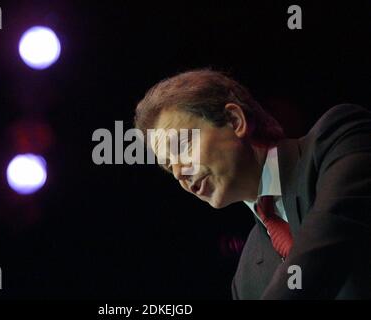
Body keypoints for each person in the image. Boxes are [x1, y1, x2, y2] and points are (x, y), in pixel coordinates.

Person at [134, 69, 371, 299]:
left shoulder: (338, 140)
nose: (178, 173)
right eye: (168, 166)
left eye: (182, 146)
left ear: (235, 121)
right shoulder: (245, 280)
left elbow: (327, 243)